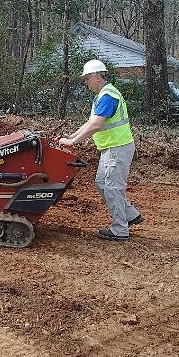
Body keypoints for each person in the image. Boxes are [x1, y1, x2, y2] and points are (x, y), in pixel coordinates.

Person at [58, 59, 142, 241]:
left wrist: (73, 142)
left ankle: (120, 229)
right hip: (110, 148)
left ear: (97, 76)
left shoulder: (108, 96)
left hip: (117, 148)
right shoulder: (102, 95)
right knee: (102, 184)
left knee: (112, 188)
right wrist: (71, 138)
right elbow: (90, 123)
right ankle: (130, 214)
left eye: (87, 78)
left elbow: (96, 125)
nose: (85, 82)